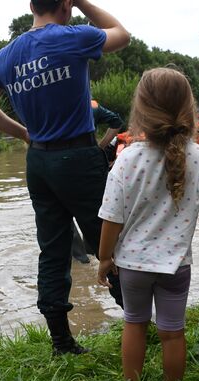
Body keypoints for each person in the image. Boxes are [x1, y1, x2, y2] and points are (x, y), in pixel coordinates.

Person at [0, 0, 130, 355]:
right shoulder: (71, 36)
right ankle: (140, 324)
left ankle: (61, 341)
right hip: (79, 158)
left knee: (53, 252)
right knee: (111, 244)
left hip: (38, 162)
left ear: (30, 5)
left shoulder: (7, 55)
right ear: (66, 5)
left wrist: (24, 133)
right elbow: (122, 34)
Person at [97, 68, 199, 381]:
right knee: (173, 333)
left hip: (131, 266)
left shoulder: (127, 159)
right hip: (175, 267)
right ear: (188, 109)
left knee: (134, 324)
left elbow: (111, 218)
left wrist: (104, 258)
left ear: (140, 112)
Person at [71, 99, 125, 264]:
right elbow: (117, 122)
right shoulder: (92, 105)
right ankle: (96, 251)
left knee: (63, 210)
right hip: (90, 163)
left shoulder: (51, 102)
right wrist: (100, 146)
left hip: (59, 162)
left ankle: (80, 259)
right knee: (95, 209)